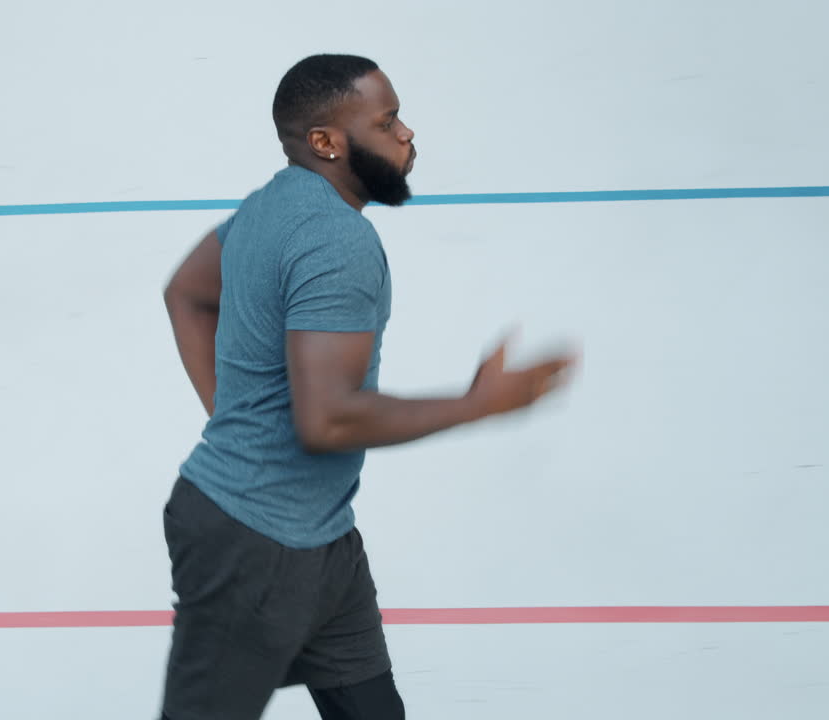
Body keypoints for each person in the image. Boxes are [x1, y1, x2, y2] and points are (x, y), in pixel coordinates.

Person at [160, 53, 577, 720]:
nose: (407, 133)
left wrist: (236, 418)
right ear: (326, 142)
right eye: (387, 122)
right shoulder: (335, 239)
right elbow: (326, 421)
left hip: (323, 542)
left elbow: (185, 293)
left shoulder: (269, 205)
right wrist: (479, 405)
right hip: (249, 540)